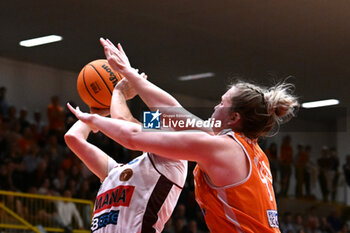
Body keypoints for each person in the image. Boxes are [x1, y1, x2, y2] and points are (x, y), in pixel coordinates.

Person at [67, 38, 299, 232]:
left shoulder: (210, 148)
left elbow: (131, 130)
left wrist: (101, 111)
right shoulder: (242, 148)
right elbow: (172, 112)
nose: (215, 108)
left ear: (234, 117)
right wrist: (129, 74)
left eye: (221, 103)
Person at [64, 70, 187, 232]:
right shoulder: (114, 171)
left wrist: (119, 92)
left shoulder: (173, 159)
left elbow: (125, 123)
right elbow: (73, 137)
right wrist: (97, 112)